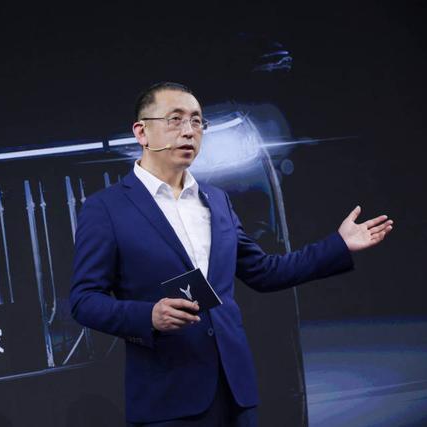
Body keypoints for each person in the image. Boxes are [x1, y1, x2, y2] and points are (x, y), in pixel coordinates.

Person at [69, 82, 393, 426]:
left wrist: (339, 244)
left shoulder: (216, 200)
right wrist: (148, 316)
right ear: (142, 132)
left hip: (236, 395)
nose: (189, 131)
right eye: (175, 119)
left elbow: (265, 271)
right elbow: (84, 300)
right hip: (167, 400)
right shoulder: (106, 208)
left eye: (197, 121)